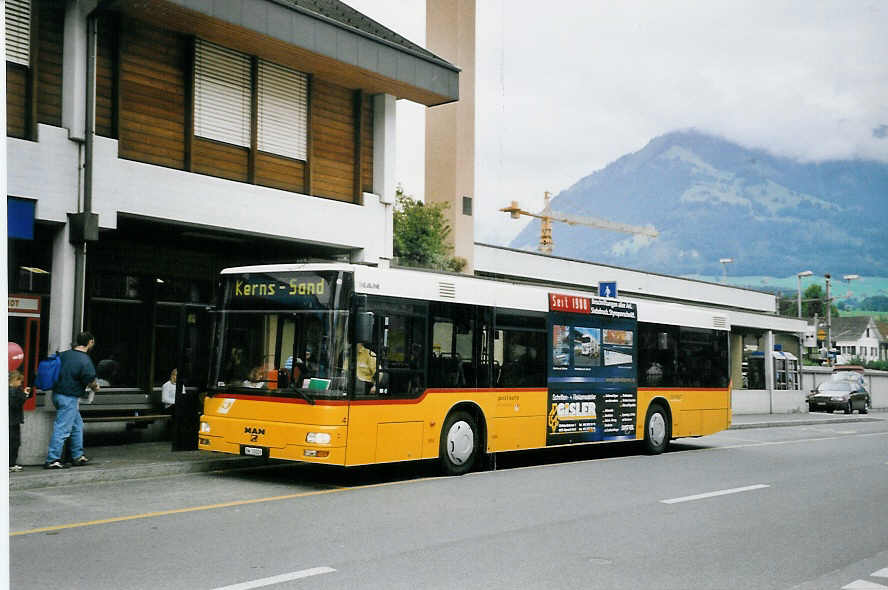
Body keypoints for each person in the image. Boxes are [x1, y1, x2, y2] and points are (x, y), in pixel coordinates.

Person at [44, 331, 100, 469]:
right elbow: (90, 379)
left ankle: (77, 456)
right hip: (69, 397)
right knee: (62, 428)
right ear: (90, 342)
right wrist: (95, 387)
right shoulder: (85, 359)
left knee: (77, 425)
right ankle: (52, 459)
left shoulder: (64, 354)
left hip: (57, 394)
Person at [9, 370, 30, 472]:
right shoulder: (13, 391)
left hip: (10, 420)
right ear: (14, 381)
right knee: (14, 442)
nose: (20, 384)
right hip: (13, 420)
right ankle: (10, 464)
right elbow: (16, 404)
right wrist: (24, 395)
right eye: (20, 381)